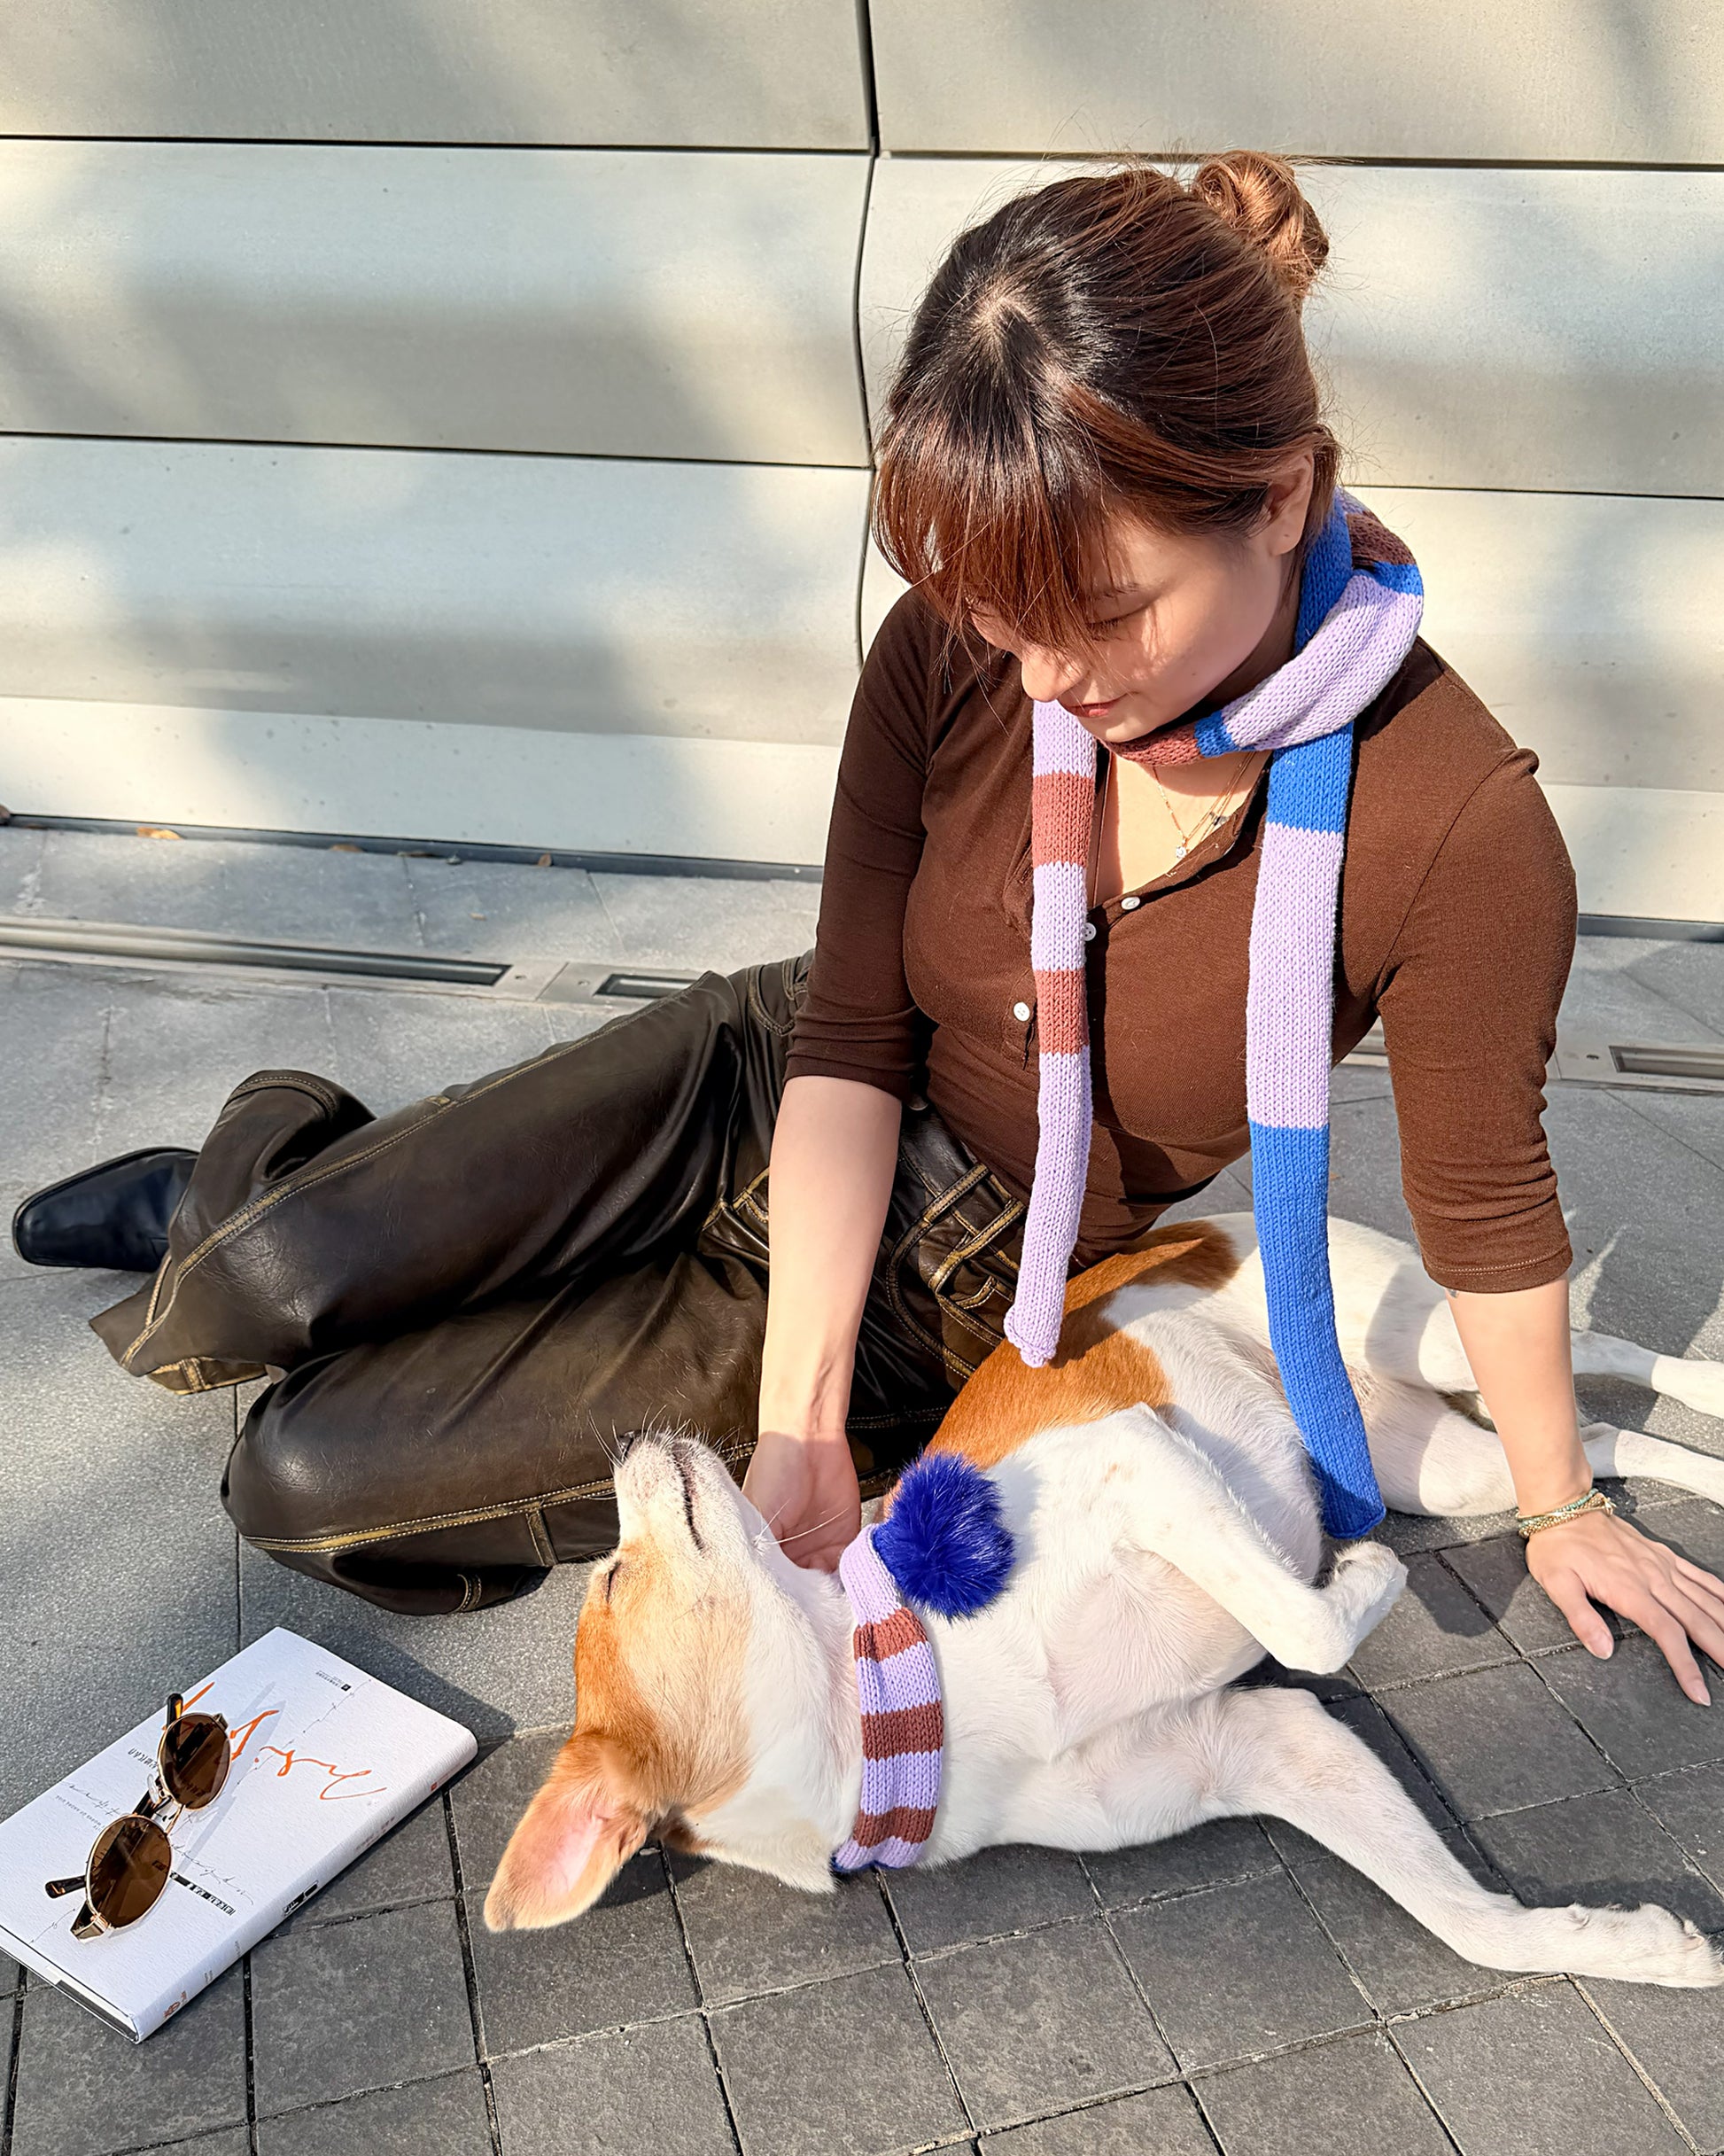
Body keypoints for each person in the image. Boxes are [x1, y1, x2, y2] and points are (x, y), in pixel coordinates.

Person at [17, 152, 1724, 1701]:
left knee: (300, 1476)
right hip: (762, 1076)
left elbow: (1486, 1203)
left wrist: (1556, 1500)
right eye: (1002, 616)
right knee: (258, 1283)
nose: (1044, 677)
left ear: (1279, 497)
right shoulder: (960, 645)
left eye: (1104, 612)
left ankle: (354, 1229)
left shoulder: (1453, 826)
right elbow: (845, 1035)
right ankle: (272, 1175)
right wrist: (793, 1415)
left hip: (957, 1273)